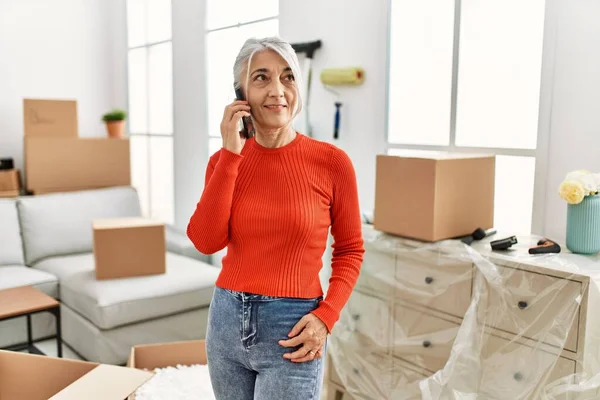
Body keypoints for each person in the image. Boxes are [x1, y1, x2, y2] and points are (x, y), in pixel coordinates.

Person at [187, 36, 365, 400]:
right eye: (261, 78)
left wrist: (326, 316)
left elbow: (350, 250)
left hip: (294, 327)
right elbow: (206, 241)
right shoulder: (223, 163)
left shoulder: (332, 162)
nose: (277, 91)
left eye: (288, 77)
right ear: (241, 96)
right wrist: (230, 155)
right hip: (225, 322)